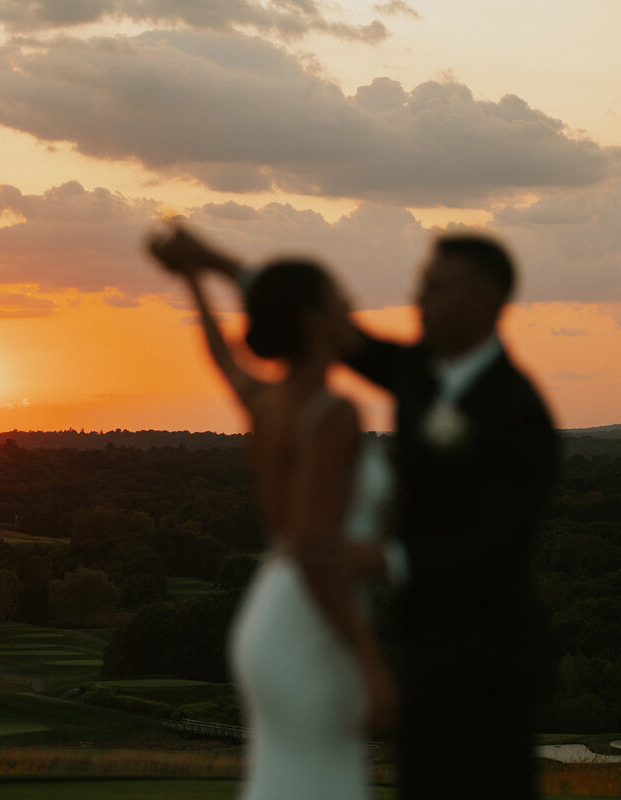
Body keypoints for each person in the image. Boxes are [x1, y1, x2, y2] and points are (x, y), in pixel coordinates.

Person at [148, 226, 396, 800]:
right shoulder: (333, 414)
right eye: (339, 299)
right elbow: (313, 551)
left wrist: (193, 277)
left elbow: (221, 357)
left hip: (268, 616)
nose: (351, 307)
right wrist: (369, 658)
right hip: (312, 624)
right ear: (313, 320)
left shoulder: (269, 401)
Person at [331, 234, 558, 800]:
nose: (418, 300)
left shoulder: (520, 412)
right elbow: (345, 339)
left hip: (490, 667)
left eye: (434, 287)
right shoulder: (419, 373)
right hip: (421, 655)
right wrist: (216, 265)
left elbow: (496, 545)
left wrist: (387, 559)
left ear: (484, 302)